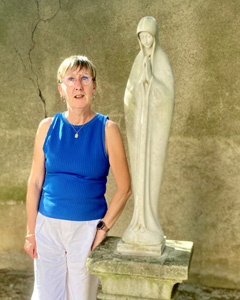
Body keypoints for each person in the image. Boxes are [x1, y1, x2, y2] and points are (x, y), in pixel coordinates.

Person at [24, 55, 131, 300]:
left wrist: (102, 229)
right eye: (70, 79)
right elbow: (35, 183)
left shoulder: (108, 130)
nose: (78, 85)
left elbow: (125, 188)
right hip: (47, 227)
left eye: (85, 78)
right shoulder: (47, 127)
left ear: (95, 86)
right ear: (61, 89)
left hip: (86, 229)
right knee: (46, 295)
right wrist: (31, 232)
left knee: (81, 295)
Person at [122, 16, 174, 246]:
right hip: (140, 130)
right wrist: (139, 87)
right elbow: (129, 97)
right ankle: (137, 221)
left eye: (148, 36)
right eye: (141, 37)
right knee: (138, 171)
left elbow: (167, 95)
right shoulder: (137, 60)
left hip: (154, 133)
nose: (145, 41)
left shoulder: (162, 60)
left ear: (155, 37)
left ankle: (150, 222)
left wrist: (151, 81)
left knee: (152, 172)